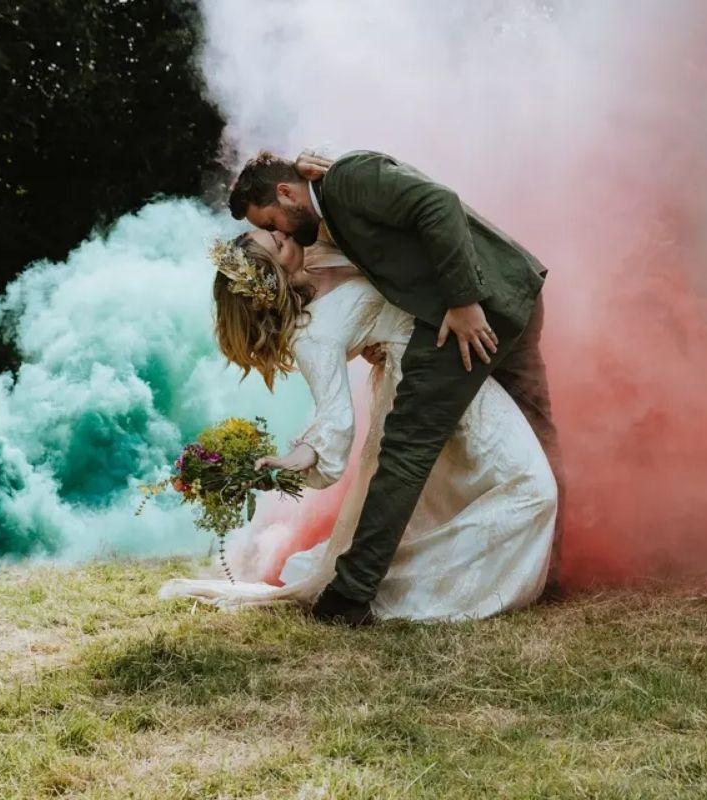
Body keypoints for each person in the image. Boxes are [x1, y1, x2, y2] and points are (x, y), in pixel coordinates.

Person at [226, 150, 564, 624]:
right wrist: (298, 456)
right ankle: (354, 592)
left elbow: (436, 204)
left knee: (436, 458)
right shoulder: (324, 230)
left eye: (273, 222)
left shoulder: (342, 185)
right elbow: (334, 396)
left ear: (286, 193)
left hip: (481, 310)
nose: (281, 231)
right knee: (464, 452)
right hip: (484, 312)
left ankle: (353, 592)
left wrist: (462, 300)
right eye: (273, 234)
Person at [158, 230, 556, 621]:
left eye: (276, 233)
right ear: (271, 276)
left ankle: (473, 576)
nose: (285, 235)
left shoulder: (317, 254)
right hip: (418, 391)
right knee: (532, 488)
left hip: (447, 366)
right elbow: (332, 411)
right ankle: (443, 589)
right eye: (278, 244)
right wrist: (300, 455)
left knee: (472, 494)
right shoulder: (310, 334)